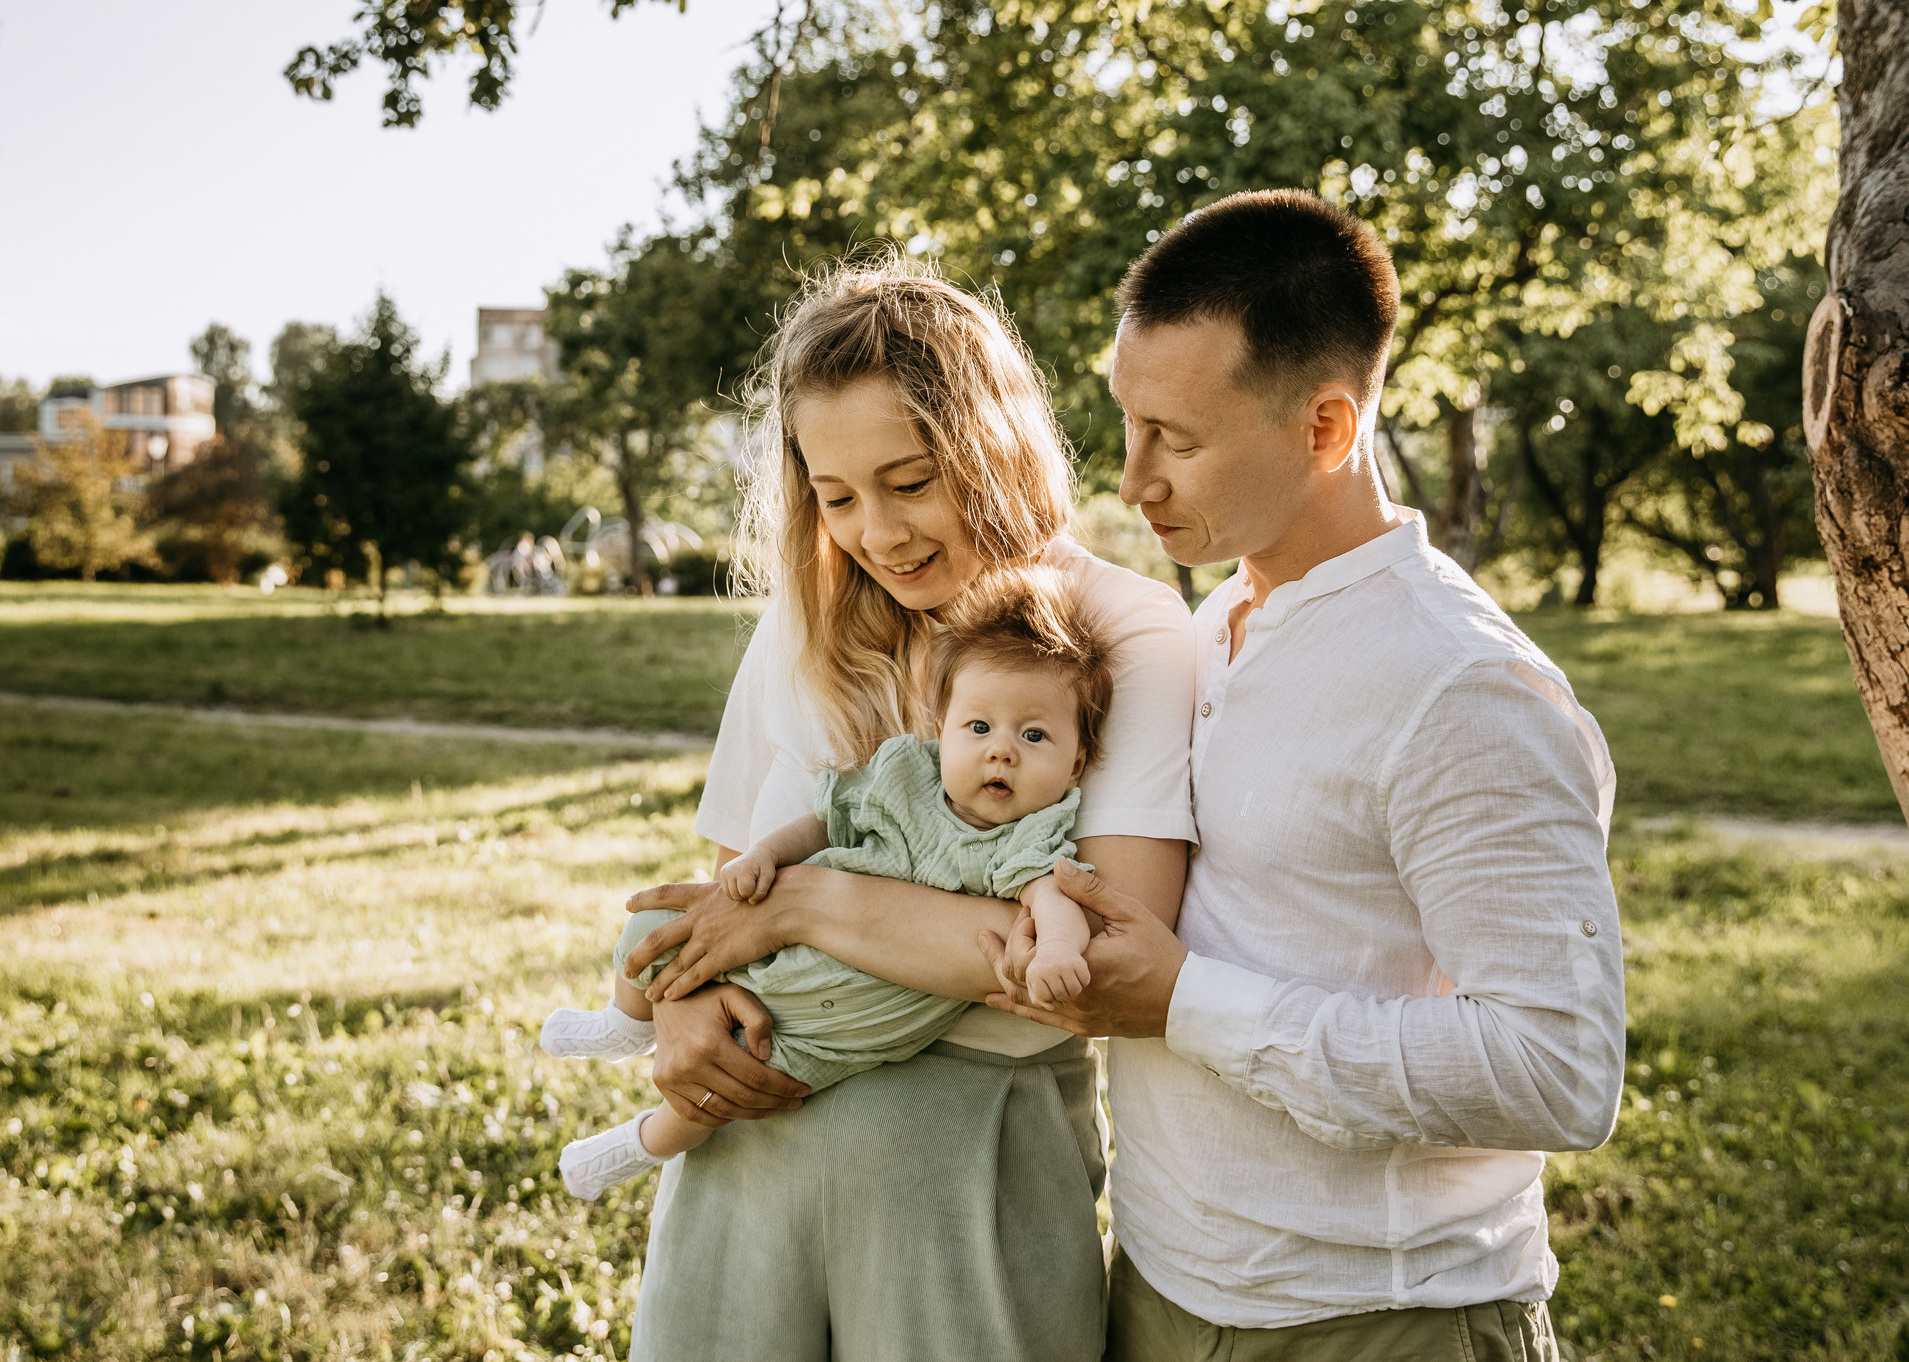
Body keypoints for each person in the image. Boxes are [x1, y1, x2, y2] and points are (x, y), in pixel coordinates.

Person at [980, 190, 1626, 1362]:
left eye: (1176, 438)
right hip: (1161, 1287)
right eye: (1128, 425)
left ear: (1327, 429)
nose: (1133, 481)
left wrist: (1186, 1001)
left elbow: (1558, 1067)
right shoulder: (1218, 616)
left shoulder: (1462, 689)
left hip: (1379, 1320)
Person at [610, 259, 1196, 1362]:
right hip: (752, 1144)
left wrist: (807, 905)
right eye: (836, 498)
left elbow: (1102, 957)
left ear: (994, 448)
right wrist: (688, 1012)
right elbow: (726, 897)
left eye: (912, 480)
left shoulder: (1124, 633)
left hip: (967, 1168)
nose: (877, 532)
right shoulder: (808, 624)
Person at [540, 566, 1114, 1199]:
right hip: (779, 956)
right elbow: (823, 821)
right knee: (655, 924)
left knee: (727, 1089)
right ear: (941, 729)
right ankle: (626, 1020)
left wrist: (1058, 949)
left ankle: (635, 1144)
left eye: (1034, 736)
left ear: (1077, 761)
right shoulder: (905, 777)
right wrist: (764, 854)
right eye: (978, 728)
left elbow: (1053, 900)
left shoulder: (1030, 836)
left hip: (850, 1028)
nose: (1001, 751)